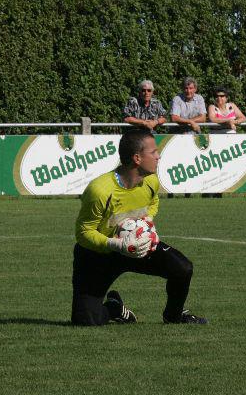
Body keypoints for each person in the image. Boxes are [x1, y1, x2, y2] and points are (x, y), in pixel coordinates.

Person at [72, 128, 207, 326]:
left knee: (183, 268)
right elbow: (83, 233)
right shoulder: (100, 190)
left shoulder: (151, 180)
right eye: (153, 152)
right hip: (98, 255)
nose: (158, 156)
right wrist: (116, 244)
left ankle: (174, 316)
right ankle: (114, 308)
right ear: (137, 158)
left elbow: (153, 203)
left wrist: (146, 221)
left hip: (139, 246)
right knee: (86, 320)